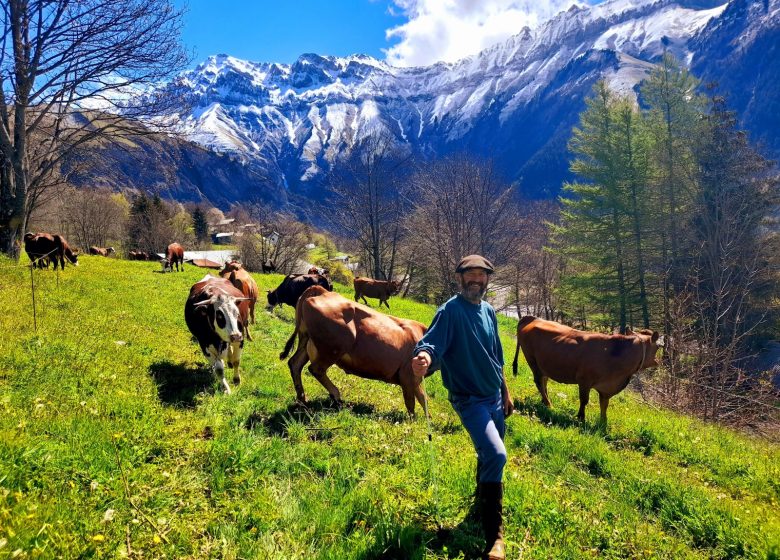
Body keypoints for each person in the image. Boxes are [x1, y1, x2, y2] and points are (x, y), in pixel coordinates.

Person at [411, 254, 513, 560]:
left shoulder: (489, 311)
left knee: (488, 456)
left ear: (487, 280)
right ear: (460, 278)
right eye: (470, 275)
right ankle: (495, 536)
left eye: (481, 276)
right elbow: (430, 344)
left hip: (494, 395)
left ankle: (482, 499)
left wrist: (506, 392)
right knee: (496, 454)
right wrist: (425, 359)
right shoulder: (450, 311)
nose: (476, 280)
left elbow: (496, 356)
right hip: (469, 400)